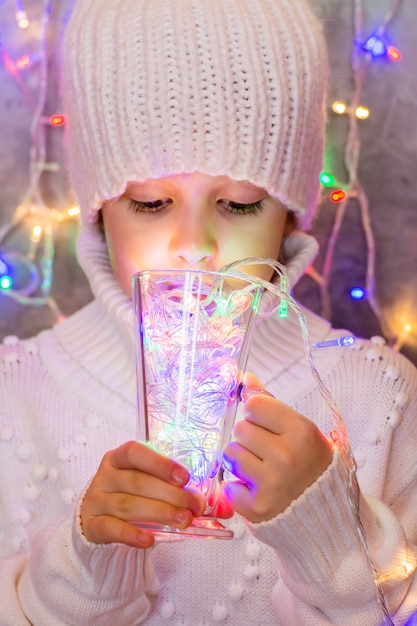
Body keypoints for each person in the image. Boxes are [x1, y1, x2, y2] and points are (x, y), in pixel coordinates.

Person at [1, 0, 416, 624]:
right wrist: (81, 576)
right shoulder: (17, 394)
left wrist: (338, 549)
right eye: (150, 202)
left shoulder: (379, 395)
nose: (194, 243)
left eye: (241, 204)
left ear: (290, 215)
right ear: (99, 211)